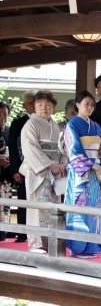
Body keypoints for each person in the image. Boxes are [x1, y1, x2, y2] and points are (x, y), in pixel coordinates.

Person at [63, 90, 101, 258]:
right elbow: (74, 149)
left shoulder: (96, 126)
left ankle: (92, 246)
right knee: (80, 207)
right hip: (80, 174)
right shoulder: (72, 124)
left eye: (92, 104)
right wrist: (93, 165)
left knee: (94, 209)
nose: (89, 107)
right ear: (77, 105)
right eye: (86, 104)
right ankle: (79, 247)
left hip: (96, 174)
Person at [19, 90, 67, 253]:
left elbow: (62, 148)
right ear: (33, 107)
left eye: (48, 104)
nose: (44, 108)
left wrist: (61, 164)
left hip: (54, 173)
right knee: (38, 207)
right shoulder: (30, 125)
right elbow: (31, 149)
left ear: (53, 106)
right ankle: (37, 243)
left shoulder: (55, 126)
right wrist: (49, 165)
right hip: (39, 173)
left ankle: (51, 242)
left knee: (53, 208)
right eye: (40, 105)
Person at [8, 90, 36, 243]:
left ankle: (37, 233)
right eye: (30, 103)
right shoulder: (17, 123)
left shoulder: (45, 121)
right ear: (25, 105)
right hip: (22, 169)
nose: (33, 105)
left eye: (35, 102)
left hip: (40, 170)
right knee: (23, 200)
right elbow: (13, 148)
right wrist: (15, 171)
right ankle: (22, 233)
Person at [0, 102, 11, 241]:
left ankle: (4, 232)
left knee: (5, 204)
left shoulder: (10, 131)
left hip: (6, 175)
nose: (2, 117)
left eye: (4, 114)